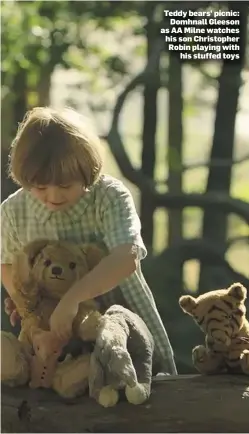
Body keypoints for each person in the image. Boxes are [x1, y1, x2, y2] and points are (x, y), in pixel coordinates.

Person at [1, 106, 177, 375]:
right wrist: (30, 316)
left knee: (135, 380)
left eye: (64, 185)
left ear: (87, 171)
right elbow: (7, 264)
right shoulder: (13, 211)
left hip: (120, 319)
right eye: (40, 187)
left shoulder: (108, 197)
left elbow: (126, 256)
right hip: (53, 336)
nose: (52, 196)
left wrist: (72, 300)